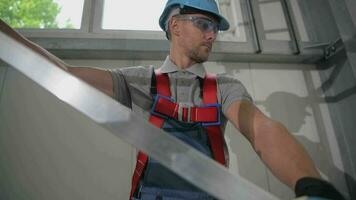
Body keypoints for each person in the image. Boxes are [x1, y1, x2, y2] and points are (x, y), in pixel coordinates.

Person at [0, 0, 345, 199]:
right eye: (204, 23)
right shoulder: (137, 81)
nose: (213, 34)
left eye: (215, 28)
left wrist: (310, 184)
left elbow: (261, 131)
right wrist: (8, 37)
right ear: (175, 25)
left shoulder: (224, 88)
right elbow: (64, 74)